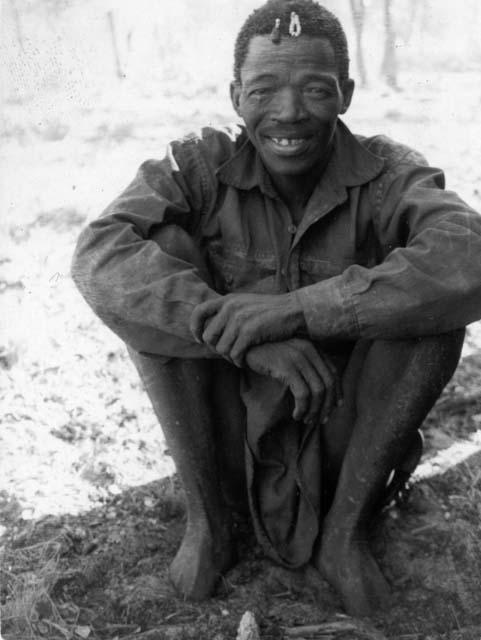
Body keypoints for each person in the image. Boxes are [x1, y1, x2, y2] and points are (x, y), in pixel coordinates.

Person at [71, 0, 481, 617]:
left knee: (431, 319)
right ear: (236, 95)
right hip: (230, 442)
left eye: (315, 89)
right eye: (264, 89)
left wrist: (297, 311)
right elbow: (99, 255)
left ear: (345, 93)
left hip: (347, 451)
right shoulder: (196, 167)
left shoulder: (390, 174)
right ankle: (210, 523)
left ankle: (343, 538)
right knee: (163, 255)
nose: (289, 112)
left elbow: (469, 254)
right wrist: (243, 335)